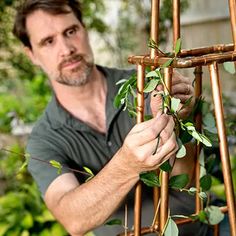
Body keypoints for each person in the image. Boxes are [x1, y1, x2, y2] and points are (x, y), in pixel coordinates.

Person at [13, 1, 210, 235]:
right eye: (48, 41)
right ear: (31, 54)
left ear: (84, 29)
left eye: (71, 31)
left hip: (207, 228)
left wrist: (179, 121)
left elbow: (186, 178)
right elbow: (74, 220)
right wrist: (127, 166)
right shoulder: (43, 141)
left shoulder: (146, 84)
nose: (66, 49)